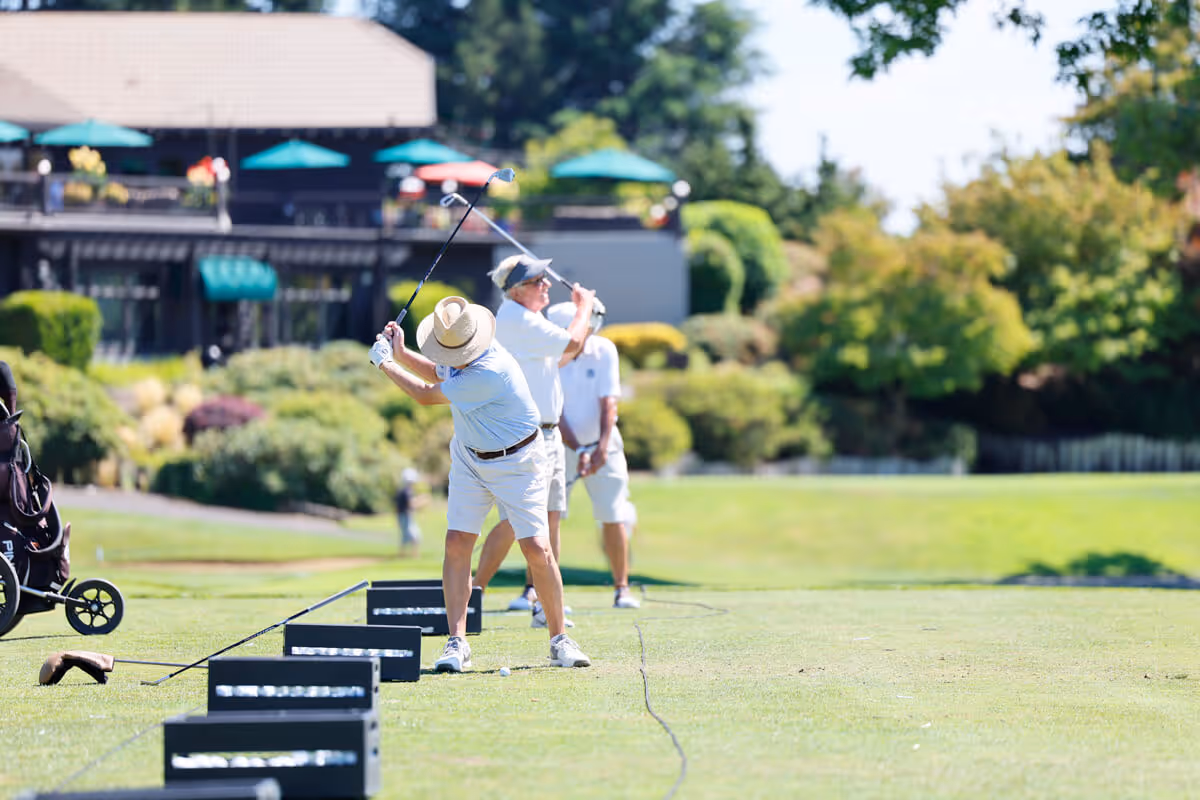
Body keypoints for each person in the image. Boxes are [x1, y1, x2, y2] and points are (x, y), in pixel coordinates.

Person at [369, 295, 590, 671]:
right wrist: (402, 354)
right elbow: (439, 373)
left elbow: (425, 396)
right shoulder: (461, 358)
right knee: (457, 543)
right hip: (471, 458)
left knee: (537, 548)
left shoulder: (490, 369)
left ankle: (559, 640)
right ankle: (457, 643)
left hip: (519, 462)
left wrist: (385, 364)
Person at [471, 254, 596, 627]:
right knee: (516, 522)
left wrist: (580, 325)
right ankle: (472, 593)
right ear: (516, 290)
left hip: (548, 433)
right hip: (529, 436)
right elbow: (572, 344)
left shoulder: (528, 319)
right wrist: (584, 308)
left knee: (550, 518)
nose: (545, 286)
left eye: (544, 280)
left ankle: (543, 604)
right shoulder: (517, 319)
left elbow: (557, 358)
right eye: (538, 281)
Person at [545, 302, 640, 609]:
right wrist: (579, 448)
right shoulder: (547, 357)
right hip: (561, 449)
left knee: (614, 515)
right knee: (550, 519)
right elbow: (555, 412)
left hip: (605, 446)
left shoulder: (605, 350)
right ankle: (537, 592)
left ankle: (622, 589)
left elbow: (609, 403)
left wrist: (599, 448)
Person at [394, 467, 426, 558]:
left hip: (405, 516)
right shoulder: (406, 491)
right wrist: (422, 501)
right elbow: (411, 505)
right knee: (413, 536)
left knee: (409, 536)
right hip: (406, 517)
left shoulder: (403, 491)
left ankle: (407, 555)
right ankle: (411, 555)